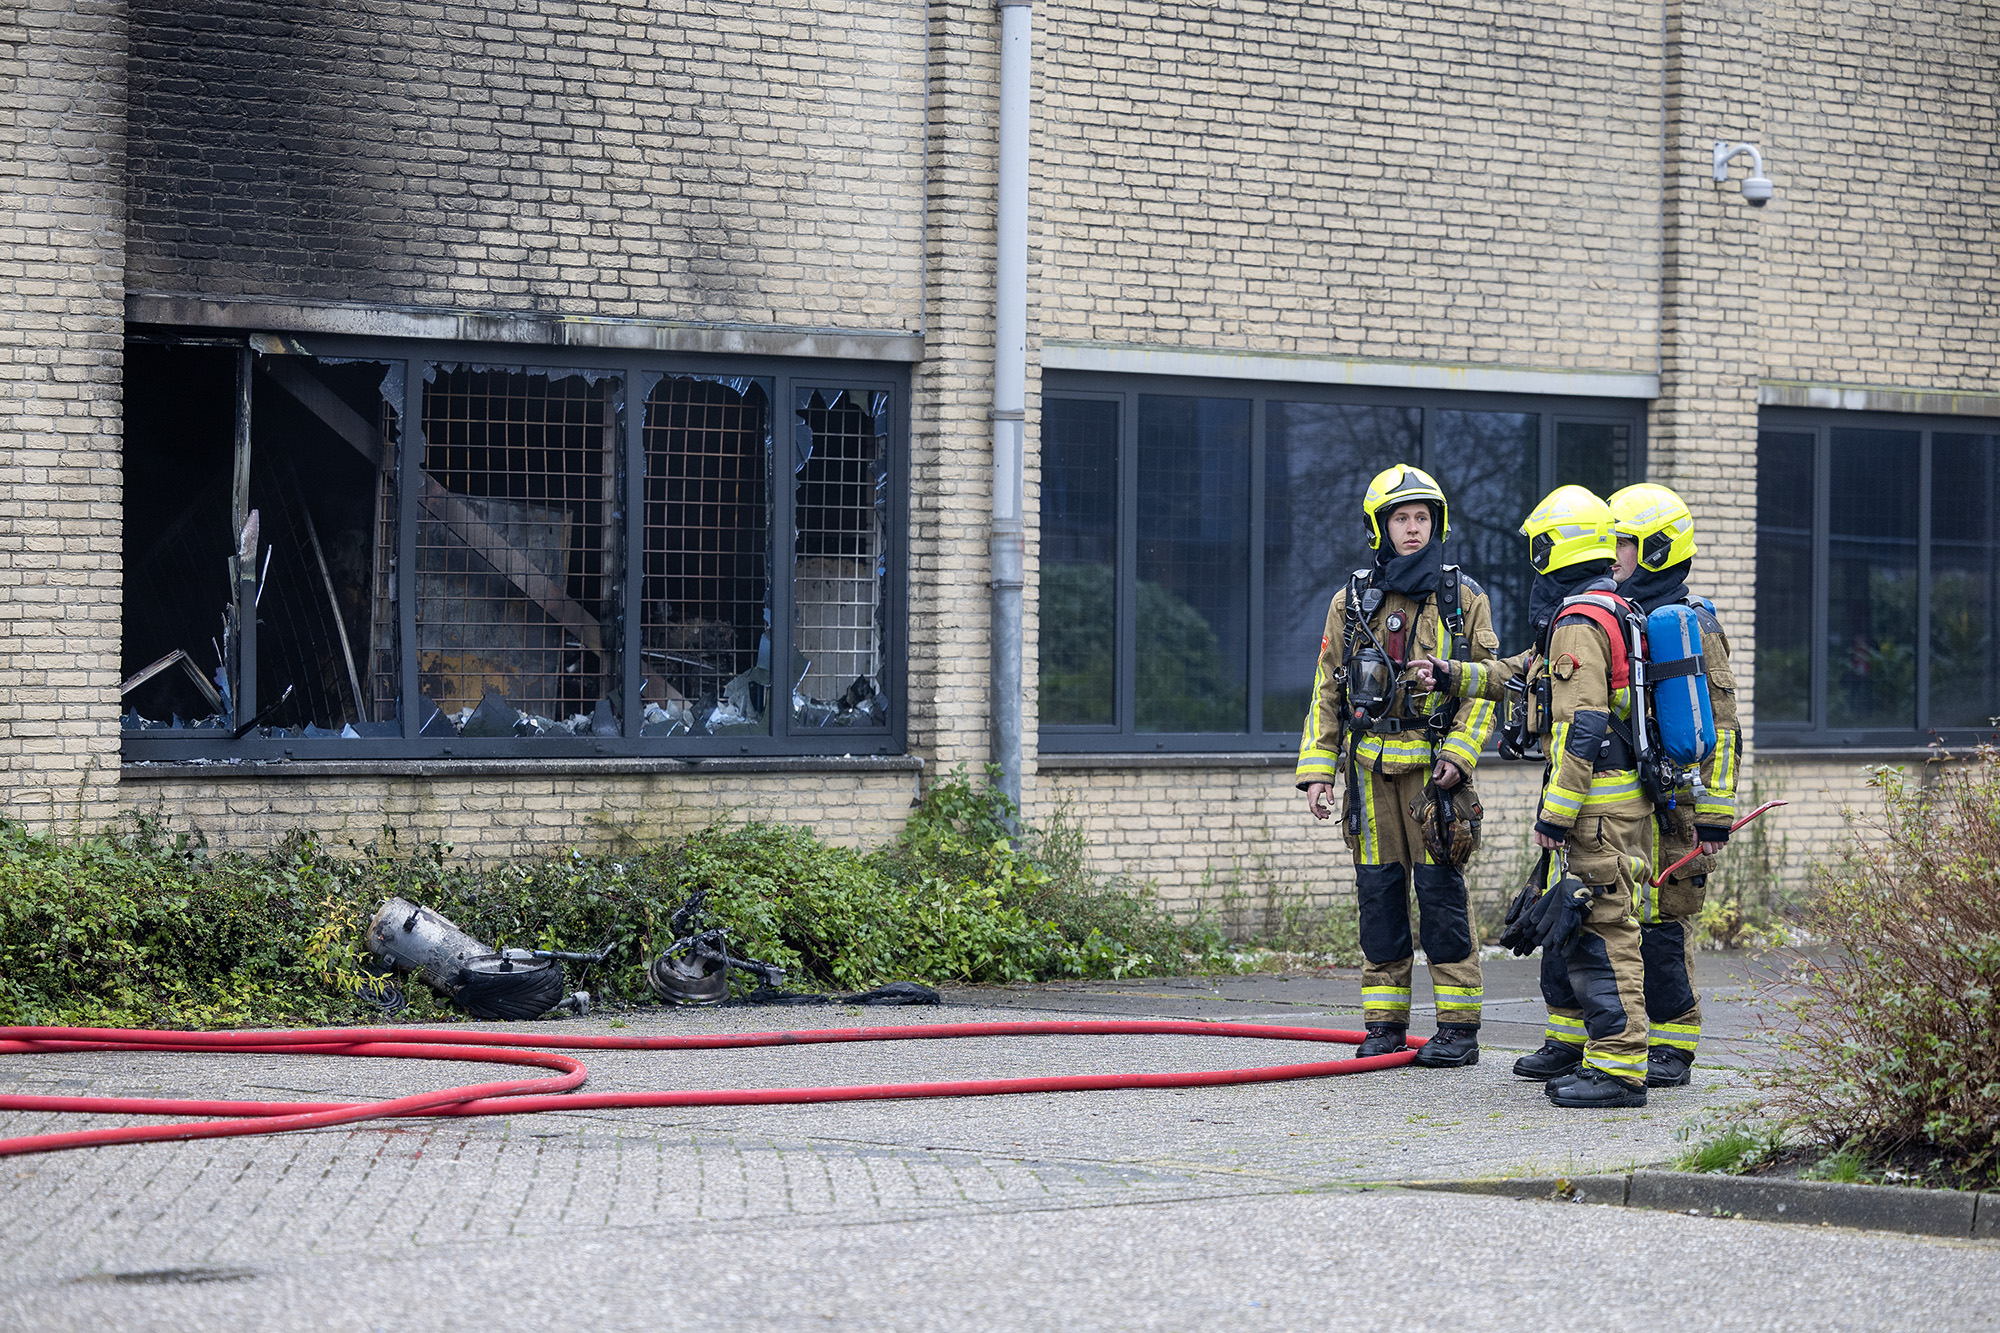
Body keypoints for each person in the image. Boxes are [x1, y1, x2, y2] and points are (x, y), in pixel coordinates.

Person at [1416, 485, 1653, 1107]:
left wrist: (1556, 812)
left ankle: (1619, 1068)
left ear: (1557, 547)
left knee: (1605, 929)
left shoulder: (1579, 623)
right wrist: (1451, 674)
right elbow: (1524, 672)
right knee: (1582, 926)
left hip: (1595, 804)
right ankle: (1588, 1050)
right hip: (1612, 799)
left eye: (1538, 547)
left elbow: (1584, 726)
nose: (1533, 559)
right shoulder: (1610, 609)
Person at [1296, 464, 1500, 1068]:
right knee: (1379, 901)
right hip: (1368, 780)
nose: (1413, 530)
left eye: (1422, 519)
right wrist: (1317, 772)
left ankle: (1458, 1031)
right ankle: (1384, 1026)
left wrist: (1461, 757)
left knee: (1441, 900)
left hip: (1434, 782)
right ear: (1379, 529)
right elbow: (1326, 691)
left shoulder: (1463, 600)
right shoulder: (1350, 602)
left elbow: (1486, 691)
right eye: (1401, 519)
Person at [1606, 483, 1740, 1089]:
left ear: (1657, 550)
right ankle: (1627, 1038)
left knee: (1667, 922)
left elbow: (1727, 729)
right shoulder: (1620, 618)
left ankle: (1674, 1046)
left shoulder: (1694, 626)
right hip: (1627, 796)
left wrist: (1713, 818)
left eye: (1625, 544)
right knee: (1624, 917)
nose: (1614, 555)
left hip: (1679, 804)